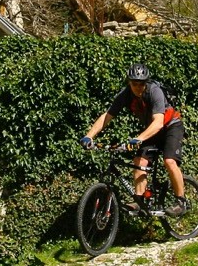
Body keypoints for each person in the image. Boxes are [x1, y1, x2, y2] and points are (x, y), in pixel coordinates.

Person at [80, 63, 187, 216]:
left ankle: (181, 202)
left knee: (169, 161)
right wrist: (89, 135)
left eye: (141, 83)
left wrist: (138, 139)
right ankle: (140, 201)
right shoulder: (125, 94)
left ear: (146, 82)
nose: (138, 87)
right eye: (134, 83)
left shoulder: (154, 91)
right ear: (129, 82)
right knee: (139, 162)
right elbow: (107, 116)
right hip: (152, 130)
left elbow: (158, 122)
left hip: (171, 126)